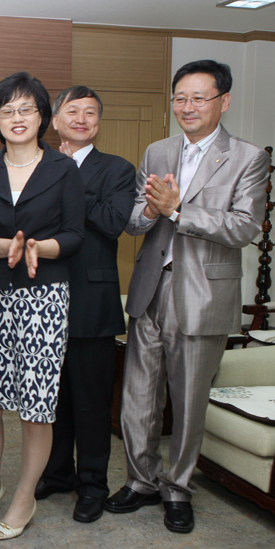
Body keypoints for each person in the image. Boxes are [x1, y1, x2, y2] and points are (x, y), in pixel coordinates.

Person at [104, 59, 269, 534]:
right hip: (150, 288)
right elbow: (135, 219)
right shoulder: (158, 151)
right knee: (138, 397)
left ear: (224, 101)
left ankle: (177, 488)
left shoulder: (248, 158)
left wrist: (179, 212)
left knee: (189, 399)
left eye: (199, 97)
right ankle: (141, 481)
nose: (187, 106)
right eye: (180, 98)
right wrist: (153, 212)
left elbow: (244, 227)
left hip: (203, 295)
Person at [0, 72, 84, 541]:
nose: (17, 117)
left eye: (26, 109)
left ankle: (24, 495)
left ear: (42, 117)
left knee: (37, 404)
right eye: (7, 110)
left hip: (45, 297)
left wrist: (39, 247)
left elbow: (74, 235)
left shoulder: (63, 169)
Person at [34, 86, 136, 523]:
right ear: (54, 120)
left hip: (92, 302)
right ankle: (56, 473)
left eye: (90, 113)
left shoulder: (117, 169)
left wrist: (70, 177)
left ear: (98, 123)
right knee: (51, 399)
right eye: (72, 111)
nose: (81, 118)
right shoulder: (38, 165)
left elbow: (113, 223)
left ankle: (93, 484)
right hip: (42, 300)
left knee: (92, 402)